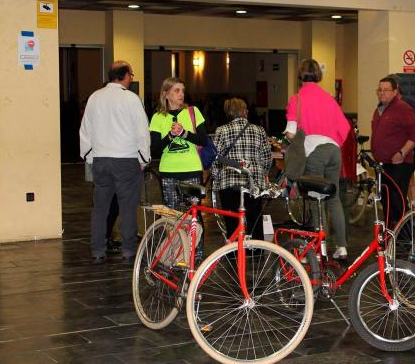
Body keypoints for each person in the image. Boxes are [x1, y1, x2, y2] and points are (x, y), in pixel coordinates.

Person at [79, 60, 150, 264]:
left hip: (101, 160)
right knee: (127, 208)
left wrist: (90, 157)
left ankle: (98, 251)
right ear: (126, 75)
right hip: (126, 160)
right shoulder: (131, 99)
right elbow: (141, 132)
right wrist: (143, 159)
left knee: (100, 208)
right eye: (132, 75)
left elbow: (85, 130)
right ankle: (128, 251)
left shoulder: (95, 97)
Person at [284, 59, 350, 259]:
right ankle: (342, 247)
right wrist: (332, 141)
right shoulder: (329, 99)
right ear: (318, 76)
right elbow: (345, 128)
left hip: (314, 153)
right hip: (334, 150)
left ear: (299, 76)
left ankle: (317, 250)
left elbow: (291, 132)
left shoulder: (297, 99)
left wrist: (300, 140)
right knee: (334, 198)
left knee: (315, 200)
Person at [149, 77, 208, 265]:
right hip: (169, 172)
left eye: (182, 90)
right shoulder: (158, 117)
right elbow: (155, 150)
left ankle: (196, 257)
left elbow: (204, 140)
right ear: (165, 94)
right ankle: (176, 256)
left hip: (191, 170)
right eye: (176, 90)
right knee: (172, 217)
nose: (181, 94)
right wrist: (170, 136)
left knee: (194, 216)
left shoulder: (193, 112)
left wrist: (184, 134)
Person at [211, 98, 272, 240]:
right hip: (253, 182)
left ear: (228, 113)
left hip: (229, 182)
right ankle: (256, 252)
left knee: (232, 221)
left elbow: (216, 158)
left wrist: (215, 177)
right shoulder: (259, 130)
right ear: (245, 111)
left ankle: (234, 253)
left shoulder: (222, 130)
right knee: (254, 219)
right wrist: (264, 173)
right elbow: (267, 158)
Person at [371, 76, 415, 229]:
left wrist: (402, 152)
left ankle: (404, 238)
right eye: (380, 90)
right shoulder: (378, 110)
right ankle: (389, 235)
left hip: (399, 165)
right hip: (383, 165)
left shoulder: (403, 108)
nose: (382, 93)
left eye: (386, 90)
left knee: (397, 202)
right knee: (386, 201)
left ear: (395, 92)